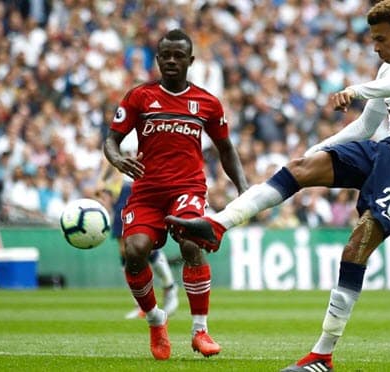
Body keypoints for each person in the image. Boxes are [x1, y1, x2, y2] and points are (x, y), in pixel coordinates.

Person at [165, 1, 390, 371]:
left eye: (381, 39)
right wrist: (315, 151)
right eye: (372, 39)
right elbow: (366, 129)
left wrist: (355, 89)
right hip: (386, 149)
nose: (375, 47)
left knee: (358, 244)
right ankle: (218, 223)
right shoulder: (385, 68)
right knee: (300, 168)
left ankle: (322, 354)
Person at [103, 29, 248, 361]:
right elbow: (111, 139)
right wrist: (117, 159)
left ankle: (200, 331)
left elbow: (226, 149)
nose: (171, 61)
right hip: (147, 192)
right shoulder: (139, 97)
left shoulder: (207, 103)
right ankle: (156, 319)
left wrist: (243, 189)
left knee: (191, 240)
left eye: (178, 56)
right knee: (135, 251)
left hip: (188, 188)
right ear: (157, 59)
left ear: (190, 60)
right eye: (165, 55)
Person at [97, 141, 179, 320]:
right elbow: (111, 155)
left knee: (146, 243)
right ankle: (142, 303)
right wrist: (103, 181)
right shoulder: (123, 124)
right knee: (125, 248)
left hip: (147, 184)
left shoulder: (150, 121)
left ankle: (169, 286)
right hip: (125, 188)